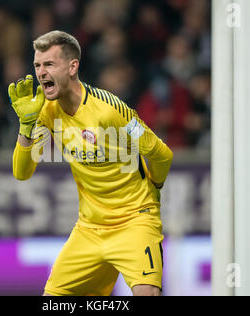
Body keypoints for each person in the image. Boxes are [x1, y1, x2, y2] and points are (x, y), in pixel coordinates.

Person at [9, 30, 173, 296]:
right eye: (37, 65)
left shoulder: (110, 110)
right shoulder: (45, 112)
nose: (41, 72)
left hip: (134, 222)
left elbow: (161, 154)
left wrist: (156, 184)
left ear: (73, 66)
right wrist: (26, 126)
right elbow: (22, 172)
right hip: (89, 229)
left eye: (49, 64)